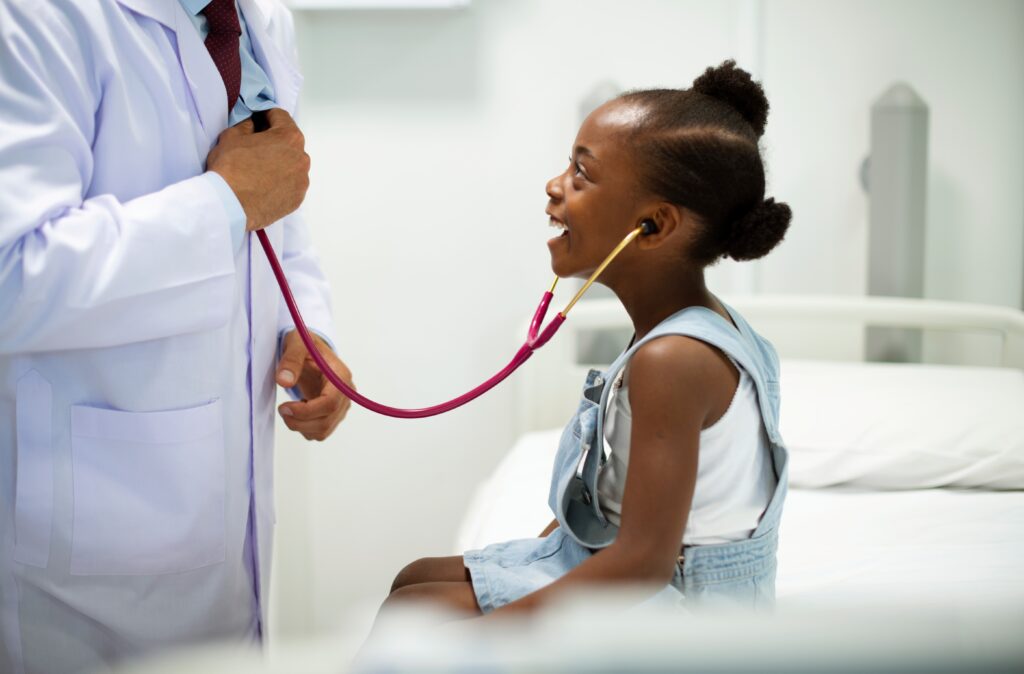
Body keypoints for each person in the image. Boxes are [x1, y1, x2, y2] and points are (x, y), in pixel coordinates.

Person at [0, 1, 352, 672]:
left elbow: (273, 208)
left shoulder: (260, 18)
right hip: (80, 558)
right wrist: (223, 202)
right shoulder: (34, 16)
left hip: (219, 526)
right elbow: (13, 272)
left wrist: (303, 324)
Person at [380, 61, 792, 619]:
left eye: (581, 175)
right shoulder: (683, 326)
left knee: (421, 613)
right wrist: (527, 564)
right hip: (626, 566)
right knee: (414, 582)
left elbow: (644, 563)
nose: (555, 187)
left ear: (655, 226)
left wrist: (486, 632)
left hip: (684, 612)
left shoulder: (674, 359)